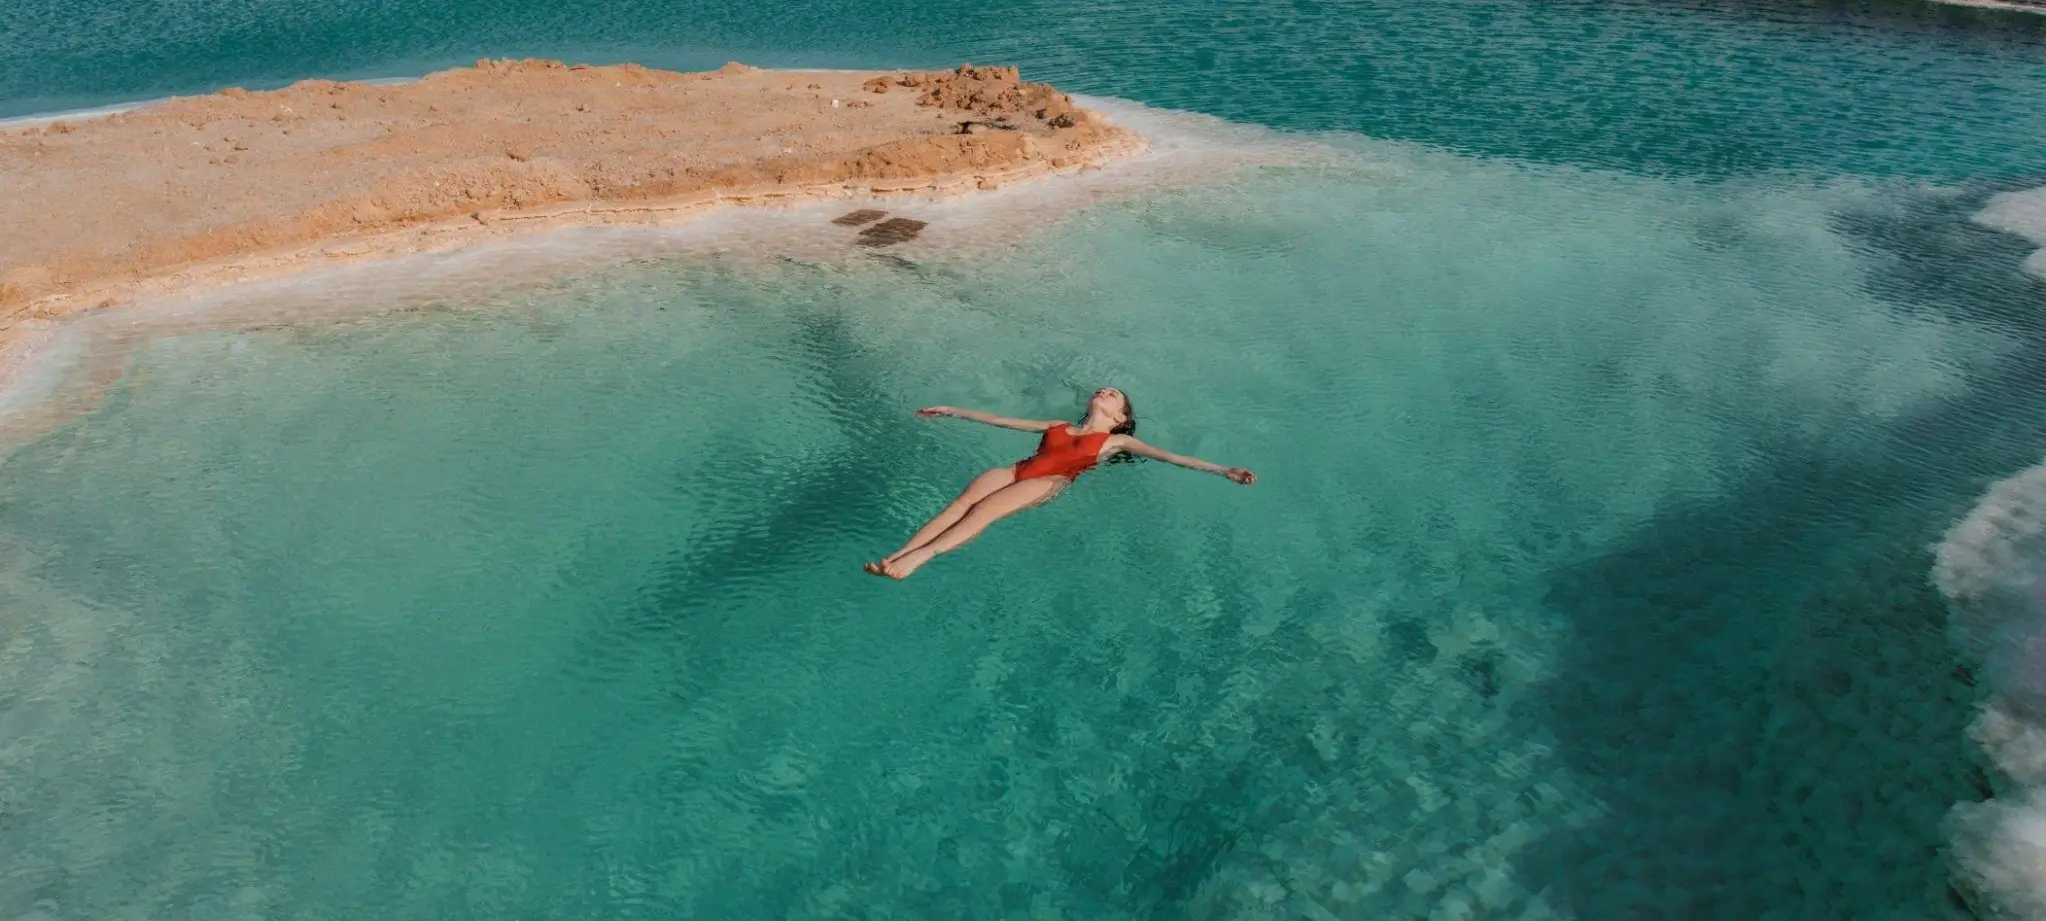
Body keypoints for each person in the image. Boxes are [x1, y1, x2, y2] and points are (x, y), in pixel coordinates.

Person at [864, 387, 1256, 580]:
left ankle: (920, 558)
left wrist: (1224, 470)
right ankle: (897, 556)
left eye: (1115, 395)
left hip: (1050, 479)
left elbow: (1174, 457)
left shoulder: (1116, 440)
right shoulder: (1059, 425)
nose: (1105, 391)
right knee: (957, 506)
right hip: (1020, 468)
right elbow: (1000, 419)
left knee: (982, 512)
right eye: (1103, 389)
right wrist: (951, 410)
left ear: (1120, 417)